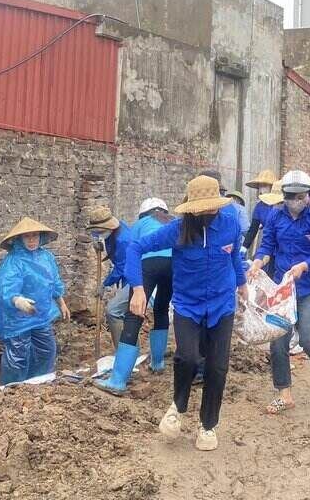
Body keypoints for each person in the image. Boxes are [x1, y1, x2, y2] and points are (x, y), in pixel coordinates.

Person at [125, 174, 246, 451]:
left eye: (212, 207)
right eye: (202, 208)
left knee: (217, 366)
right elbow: (135, 247)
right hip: (188, 305)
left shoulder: (231, 224)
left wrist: (242, 284)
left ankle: (207, 426)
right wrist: (138, 288)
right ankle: (178, 406)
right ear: (192, 208)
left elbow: (234, 255)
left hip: (221, 304)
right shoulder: (177, 230)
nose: (208, 213)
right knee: (187, 357)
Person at [250, 170, 310, 414]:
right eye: (290, 196)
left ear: (309, 195)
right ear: (284, 196)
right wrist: (259, 261)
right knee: (278, 342)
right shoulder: (276, 217)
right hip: (283, 288)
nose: (295, 200)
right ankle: (284, 393)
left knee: (309, 337)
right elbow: (267, 246)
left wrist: (303, 266)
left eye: (301, 196)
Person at [93, 199, 174, 394]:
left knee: (133, 315)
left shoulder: (138, 226)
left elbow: (133, 253)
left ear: (142, 214)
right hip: (173, 264)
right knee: (161, 310)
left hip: (148, 264)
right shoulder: (172, 221)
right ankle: (158, 363)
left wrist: (136, 286)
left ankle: (118, 380)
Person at [0, 217, 70, 386]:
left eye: (35, 235)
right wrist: (18, 301)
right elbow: (5, 287)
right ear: (20, 239)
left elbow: (54, 282)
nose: (32, 240)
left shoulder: (46, 257)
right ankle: (12, 390)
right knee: (18, 356)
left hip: (40, 315)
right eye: (27, 236)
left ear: (41, 237)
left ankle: (37, 384)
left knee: (46, 351)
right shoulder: (14, 260)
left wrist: (61, 302)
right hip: (17, 318)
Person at [87, 206, 131, 351]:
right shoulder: (108, 231)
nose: (98, 234)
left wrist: (105, 285)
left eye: (100, 232)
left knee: (114, 311)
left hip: (135, 276)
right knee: (126, 313)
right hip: (125, 272)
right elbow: (96, 232)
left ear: (110, 227)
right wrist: (96, 241)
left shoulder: (123, 239)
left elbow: (121, 268)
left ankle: (123, 353)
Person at [242, 170, 279, 256]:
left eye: (264, 186)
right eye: (260, 186)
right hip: (268, 246)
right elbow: (253, 229)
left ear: (272, 187)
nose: (261, 189)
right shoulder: (259, 207)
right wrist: (244, 247)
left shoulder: (280, 204)